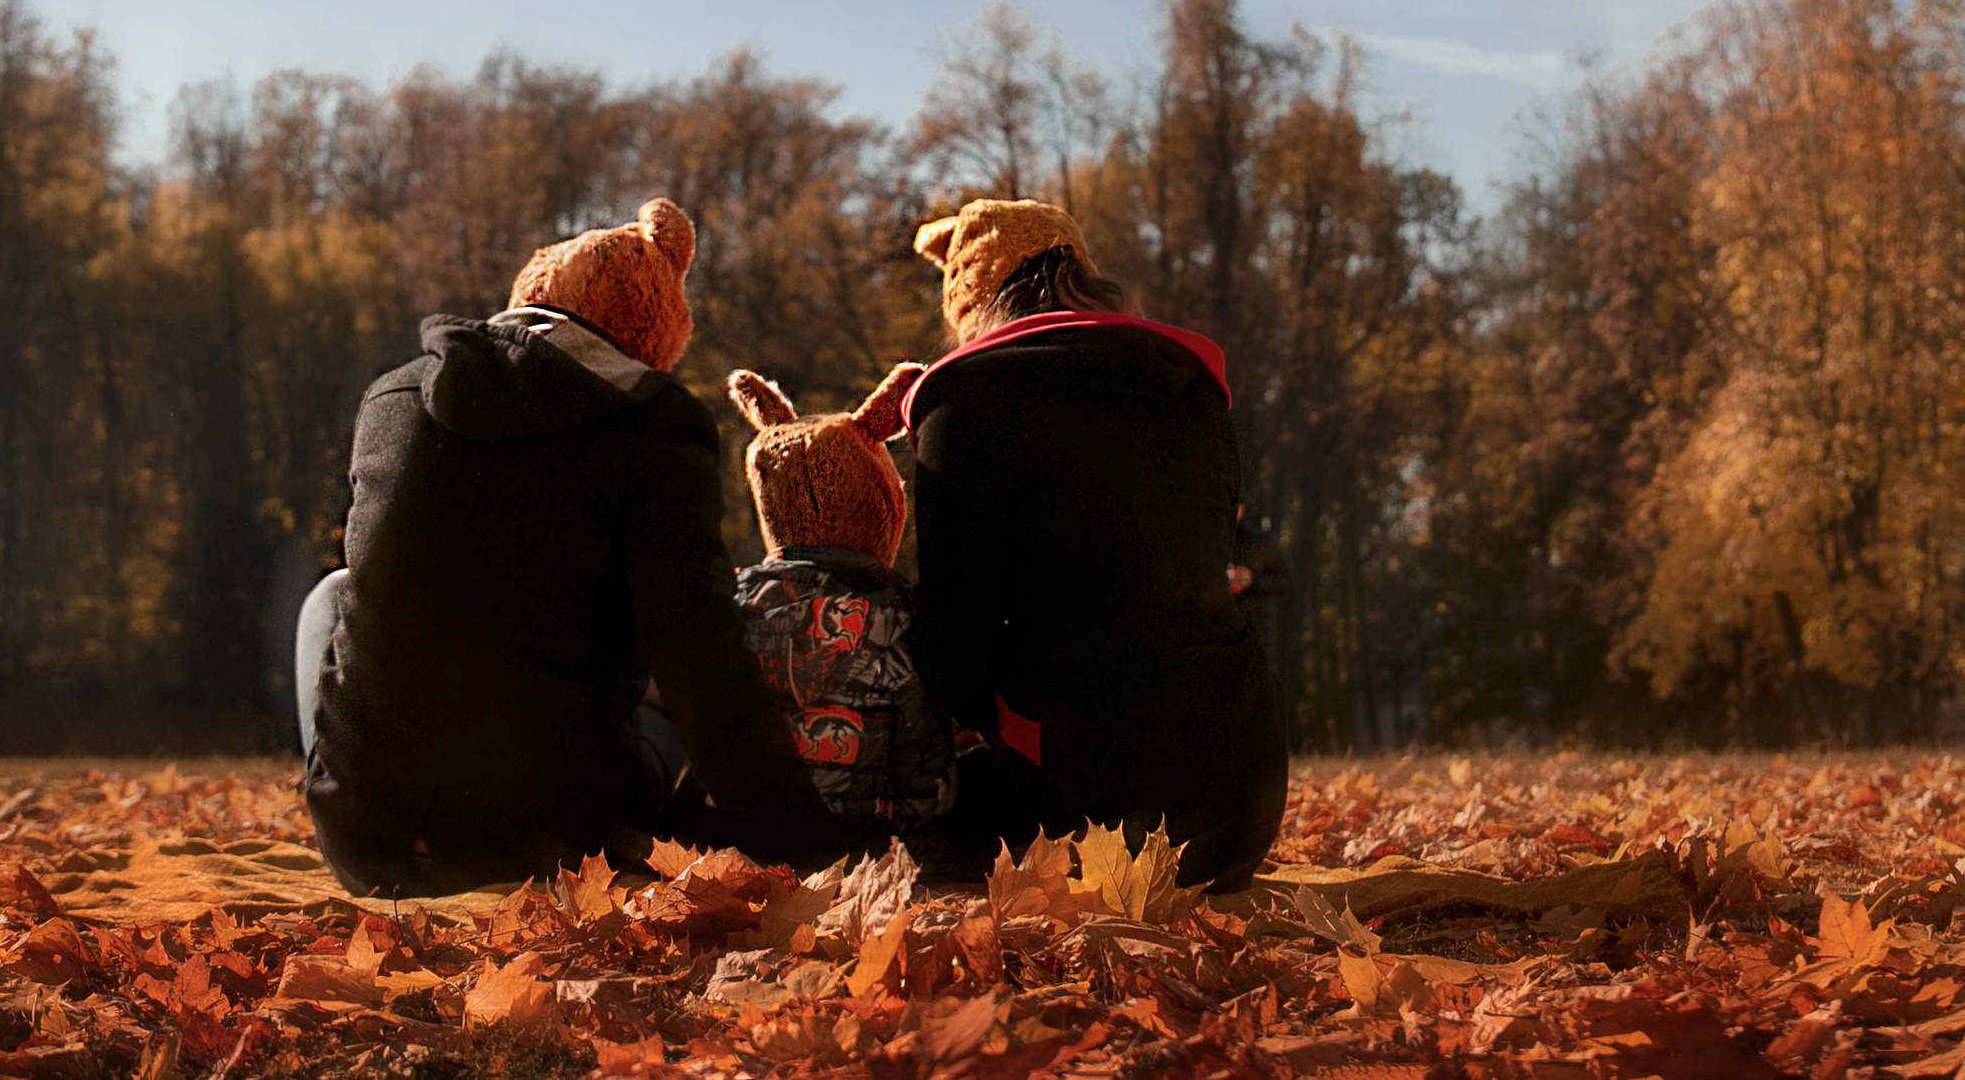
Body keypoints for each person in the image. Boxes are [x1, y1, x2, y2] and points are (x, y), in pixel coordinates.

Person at [297, 199, 842, 896]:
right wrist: (802, 837)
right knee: (657, 682)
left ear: (529, 294)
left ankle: (356, 793)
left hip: (373, 840)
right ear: (652, 333)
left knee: (333, 597)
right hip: (545, 838)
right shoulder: (657, 424)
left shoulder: (392, 395)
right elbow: (698, 657)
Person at [902, 200, 1288, 893]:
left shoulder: (963, 406)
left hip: (1088, 816)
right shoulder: (1192, 389)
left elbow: (952, 650)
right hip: (1241, 801)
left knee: (913, 822)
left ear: (972, 304)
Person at [723, 364, 955, 838]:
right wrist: (924, 817)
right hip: (870, 830)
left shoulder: (736, 598)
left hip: (755, 829)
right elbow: (920, 731)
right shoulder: (901, 612)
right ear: (884, 501)